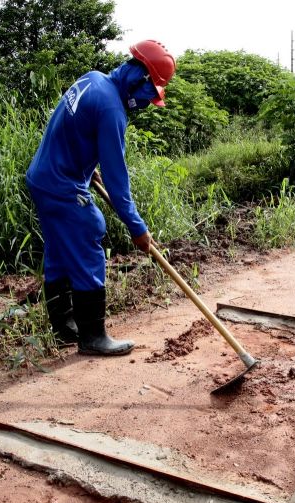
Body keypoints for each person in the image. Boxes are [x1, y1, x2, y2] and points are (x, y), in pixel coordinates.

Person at [25, 40, 176, 356]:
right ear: (141, 78)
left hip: (42, 176)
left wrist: (85, 169)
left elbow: (71, 129)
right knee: (89, 231)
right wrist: (138, 230)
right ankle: (93, 337)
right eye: (152, 93)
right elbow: (119, 186)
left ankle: (64, 327)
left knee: (59, 248)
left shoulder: (92, 78)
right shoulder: (113, 110)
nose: (149, 102)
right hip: (62, 185)